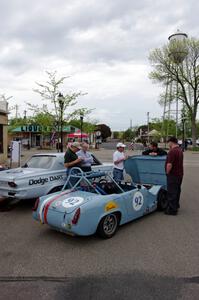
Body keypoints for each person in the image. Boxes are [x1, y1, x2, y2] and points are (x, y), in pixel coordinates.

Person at [165, 136, 184, 215]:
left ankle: (172, 210)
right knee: (177, 191)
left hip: (173, 175)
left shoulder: (172, 152)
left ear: (171, 142)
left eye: (168, 142)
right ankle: (176, 205)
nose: (168, 143)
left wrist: (167, 172)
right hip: (179, 174)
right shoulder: (179, 150)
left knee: (172, 192)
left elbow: (169, 164)